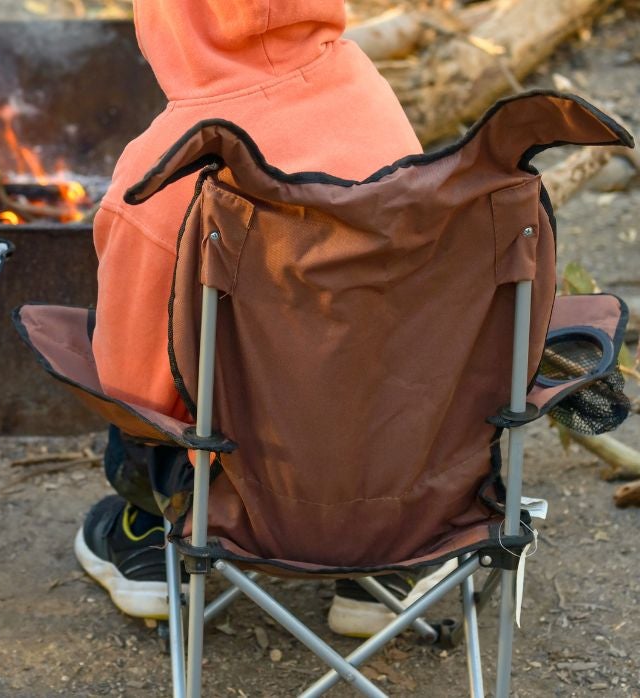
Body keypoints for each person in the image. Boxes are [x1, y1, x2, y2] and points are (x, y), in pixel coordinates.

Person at [77, 0, 445, 636]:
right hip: (399, 461)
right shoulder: (365, 91)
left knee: (135, 363)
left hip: (247, 483)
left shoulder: (161, 167)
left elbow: (133, 388)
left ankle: (148, 540)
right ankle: (383, 567)